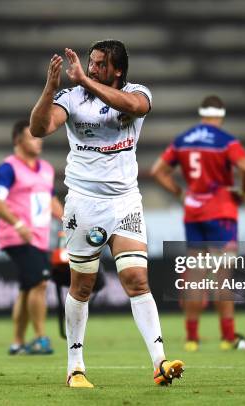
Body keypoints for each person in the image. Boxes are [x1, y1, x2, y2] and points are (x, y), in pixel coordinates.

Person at [30, 39, 184, 388]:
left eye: (100, 64)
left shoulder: (137, 92)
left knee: (137, 280)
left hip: (126, 202)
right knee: (81, 286)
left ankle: (160, 363)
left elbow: (135, 106)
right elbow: (38, 128)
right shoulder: (71, 98)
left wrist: (86, 80)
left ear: (117, 69)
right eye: (91, 62)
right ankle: (75, 367)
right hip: (84, 203)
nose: (92, 67)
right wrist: (50, 88)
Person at [150, 95, 245, 351]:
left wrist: (180, 193)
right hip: (221, 211)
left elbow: (157, 171)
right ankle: (228, 338)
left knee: (195, 276)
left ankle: (191, 339)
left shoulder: (183, 139)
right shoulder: (225, 141)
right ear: (220, 115)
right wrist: (243, 192)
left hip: (193, 212)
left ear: (202, 113)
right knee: (222, 277)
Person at [0, 119, 64, 355]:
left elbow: (50, 199)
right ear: (17, 141)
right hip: (18, 236)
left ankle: (17, 341)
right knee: (41, 282)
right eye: (32, 137)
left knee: (27, 288)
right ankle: (41, 337)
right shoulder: (7, 168)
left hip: (39, 237)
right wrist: (18, 223)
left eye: (39, 136)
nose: (38, 141)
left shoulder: (46, 169)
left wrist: (65, 220)